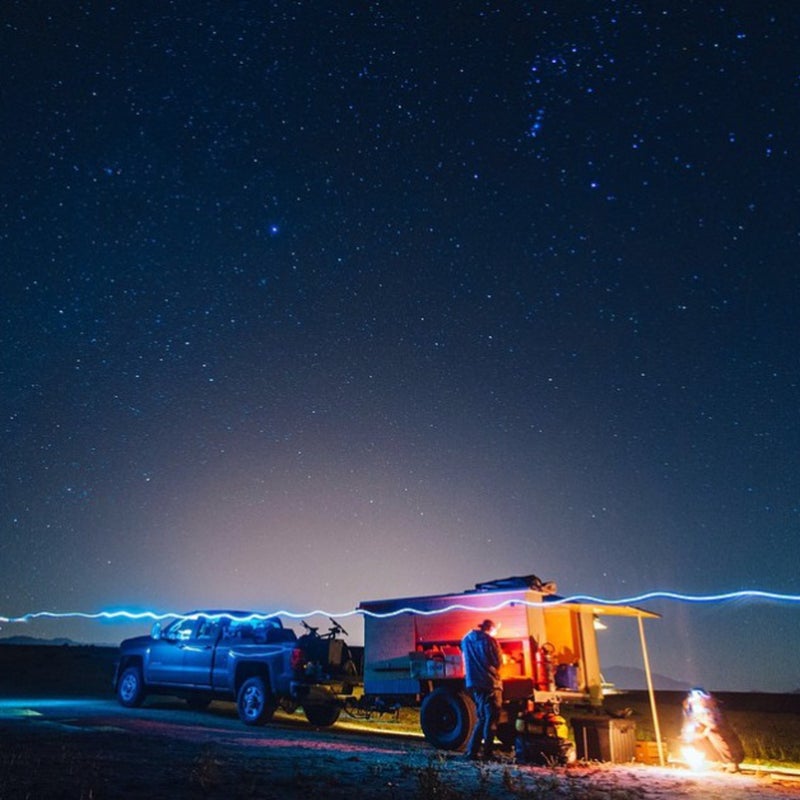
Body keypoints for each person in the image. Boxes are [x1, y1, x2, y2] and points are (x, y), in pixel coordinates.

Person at [461, 619, 503, 760]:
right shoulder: (490, 641)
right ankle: (487, 753)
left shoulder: (466, 639)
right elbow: (497, 662)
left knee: (482, 717)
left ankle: (472, 752)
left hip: (473, 683)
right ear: (491, 629)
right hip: (490, 682)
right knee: (491, 718)